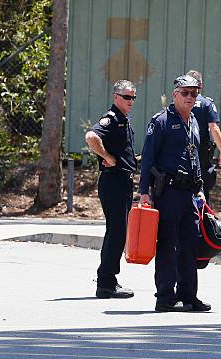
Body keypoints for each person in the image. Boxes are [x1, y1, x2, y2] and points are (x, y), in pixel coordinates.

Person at [139, 75, 211, 313]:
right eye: (186, 93)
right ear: (175, 95)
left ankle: (189, 295)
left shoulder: (194, 121)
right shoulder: (161, 121)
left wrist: (200, 188)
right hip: (168, 191)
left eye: (194, 93)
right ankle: (165, 297)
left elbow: (196, 157)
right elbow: (148, 158)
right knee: (168, 245)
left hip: (189, 194)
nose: (190, 97)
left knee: (190, 245)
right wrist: (144, 192)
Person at [85, 80, 137, 299]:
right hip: (113, 181)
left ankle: (108, 280)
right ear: (116, 97)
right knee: (116, 232)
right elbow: (91, 136)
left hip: (122, 181)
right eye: (126, 97)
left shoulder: (123, 121)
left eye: (133, 97)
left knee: (118, 232)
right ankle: (106, 282)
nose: (130, 101)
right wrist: (107, 157)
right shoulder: (112, 118)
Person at [185, 70, 221, 204]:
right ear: (201, 85)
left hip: (182, 150)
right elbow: (214, 127)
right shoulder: (206, 103)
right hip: (201, 152)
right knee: (202, 186)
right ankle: (202, 219)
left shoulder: (180, 101)